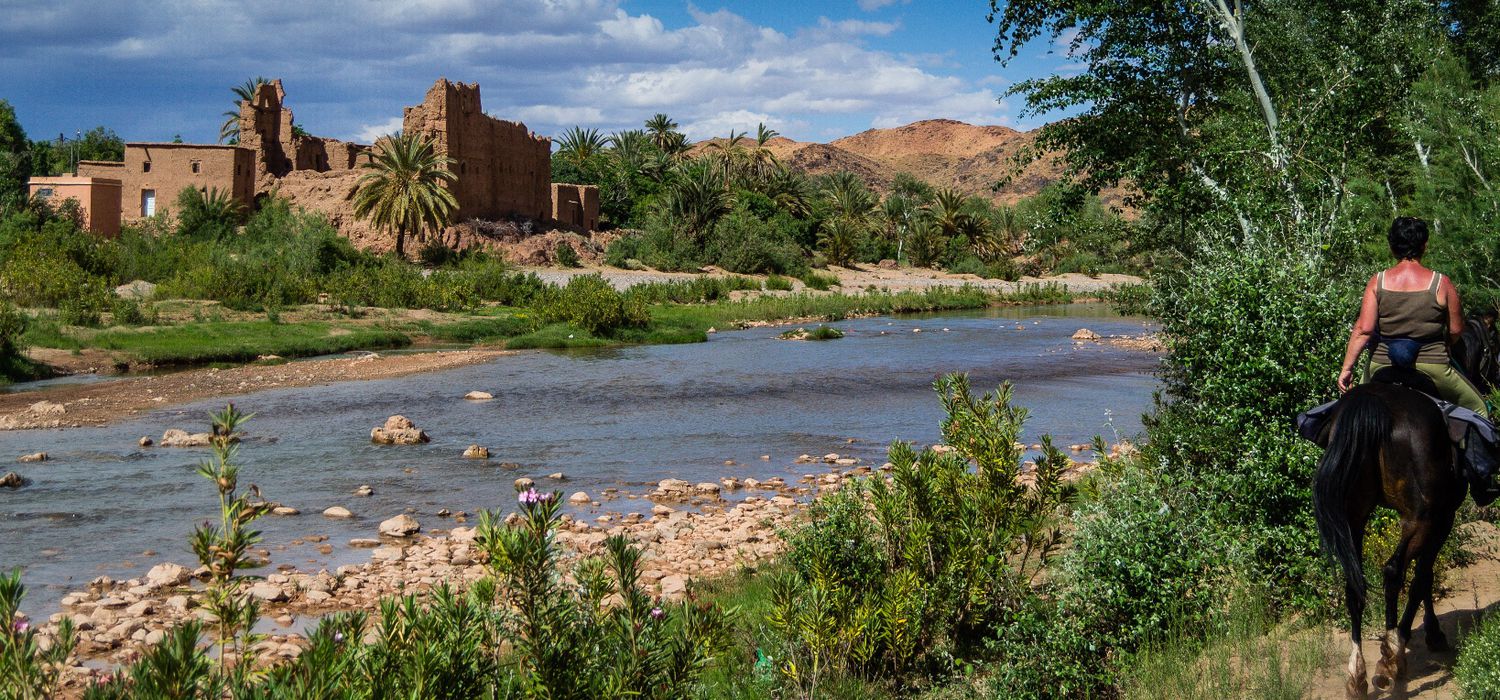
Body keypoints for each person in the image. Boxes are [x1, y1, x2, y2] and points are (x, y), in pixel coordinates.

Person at [1336, 216, 1489, 418]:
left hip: (1383, 363)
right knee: (1479, 409)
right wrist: (1446, 344)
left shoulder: (1377, 282)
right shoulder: (1441, 283)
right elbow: (1455, 330)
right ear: (1424, 246)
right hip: (1431, 365)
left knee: (1353, 412)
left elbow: (1363, 330)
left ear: (1392, 247)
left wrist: (1347, 369)